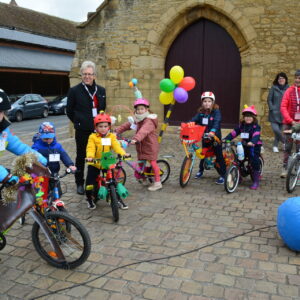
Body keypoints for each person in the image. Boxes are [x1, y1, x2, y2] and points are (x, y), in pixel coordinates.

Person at [66, 60, 106, 195]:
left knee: (97, 155)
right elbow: (69, 110)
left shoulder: (101, 90)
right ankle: (79, 182)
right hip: (82, 130)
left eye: (90, 74)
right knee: (82, 156)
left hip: (98, 131)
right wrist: (78, 122)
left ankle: (93, 181)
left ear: (94, 75)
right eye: (84, 74)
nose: (87, 76)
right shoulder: (74, 91)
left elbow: (102, 108)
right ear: (81, 75)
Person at [0, 89, 47, 184]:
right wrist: (4, 175)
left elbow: (19, 147)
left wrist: (38, 158)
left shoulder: (3, 130)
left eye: (0, 111)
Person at [85, 112, 130, 209]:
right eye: (100, 126)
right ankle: (89, 198)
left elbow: (116, 146)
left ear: (109, 126)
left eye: (105, 126)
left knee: (113, 181)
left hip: (107, 162)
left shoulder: (111, 136)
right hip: (95, 163)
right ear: (96, 127)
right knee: (90, 183)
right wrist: (90, 156)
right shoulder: (92, 137)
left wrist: (123, 153)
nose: (103, 128)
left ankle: (117, 199)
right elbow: (90, 148)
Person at [115, 98, 162, 191]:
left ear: (146, 109)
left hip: (150, 145)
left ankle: (158, 182)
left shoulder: (149, 120)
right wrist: (115, 131)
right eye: (138, 109)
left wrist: (135, 139)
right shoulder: (137, 119)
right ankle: (143, 178)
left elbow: (143, 131)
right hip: (141, 146)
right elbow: (127, 125)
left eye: (142, 109)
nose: (140, 111)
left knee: (152, 162)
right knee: (140, 163)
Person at [32, 122, 77, 196]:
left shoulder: (57, 146)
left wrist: (70, 165)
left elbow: (63, 155)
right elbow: (32, 158)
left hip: (54, 174)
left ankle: (55, 204)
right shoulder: (36, 147)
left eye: (50, 138)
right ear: (40, 136)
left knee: (58, 193)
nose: (48, 140)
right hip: (41, 174)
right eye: (45, 138)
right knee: (41, 194)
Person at [191, 91, 226, 184]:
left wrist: (213, 131)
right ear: (202, 103)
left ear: (213, 102)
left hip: (215, 138)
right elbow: (194, 120)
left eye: (209, 101)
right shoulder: (201, 112)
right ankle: (200, 170)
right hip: (205, 137)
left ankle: (223, 175)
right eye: (205, 101)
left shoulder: (216, 112)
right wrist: (187, 125)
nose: (207, 103)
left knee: (219, 156)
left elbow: (217, 122)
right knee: (203, 154)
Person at [224, 105, 263, 190]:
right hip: (243, 145)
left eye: (250, 116)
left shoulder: (256, 127)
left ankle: (256, 181)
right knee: (238, 159)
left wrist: (252, 142)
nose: (248, 118)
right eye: (246, 116)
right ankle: (239, 176)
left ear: (253, 118)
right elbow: (234, 133)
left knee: (254, 160)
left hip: (254, 146)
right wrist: (226, 139)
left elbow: (256, 135)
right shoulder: (242, 125)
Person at [280, 69, 300, 178]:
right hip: (289, 123)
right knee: (287, 146)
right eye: (296, 77)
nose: (297, 80)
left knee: (299, 147)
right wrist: (291, 121)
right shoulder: (289, 91)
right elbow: (283, 107)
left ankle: (297, 167)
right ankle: (285, 167)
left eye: (299, 78)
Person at [267, 72, 289, 153]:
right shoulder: (273, 88)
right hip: (274, 113)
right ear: (277, 80)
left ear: (285, 79)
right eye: (279, 78)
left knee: (279, 131)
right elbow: (269, 99)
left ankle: (275, 146)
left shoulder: (289, 89)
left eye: (283, 78)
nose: (281, 80)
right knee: (276, 130)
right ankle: (285, 142)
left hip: (284, 114)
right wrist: (272, 108)